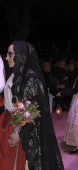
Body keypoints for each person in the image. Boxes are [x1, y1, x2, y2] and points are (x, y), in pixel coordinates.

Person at [0, 41, 64, 170]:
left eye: (10, 54)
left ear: (21, 55)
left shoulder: (31, 79)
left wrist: (20, 133)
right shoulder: (16, 74)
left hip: (23, 130)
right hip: (10, 124)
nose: (7, 58)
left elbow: (33, 110)